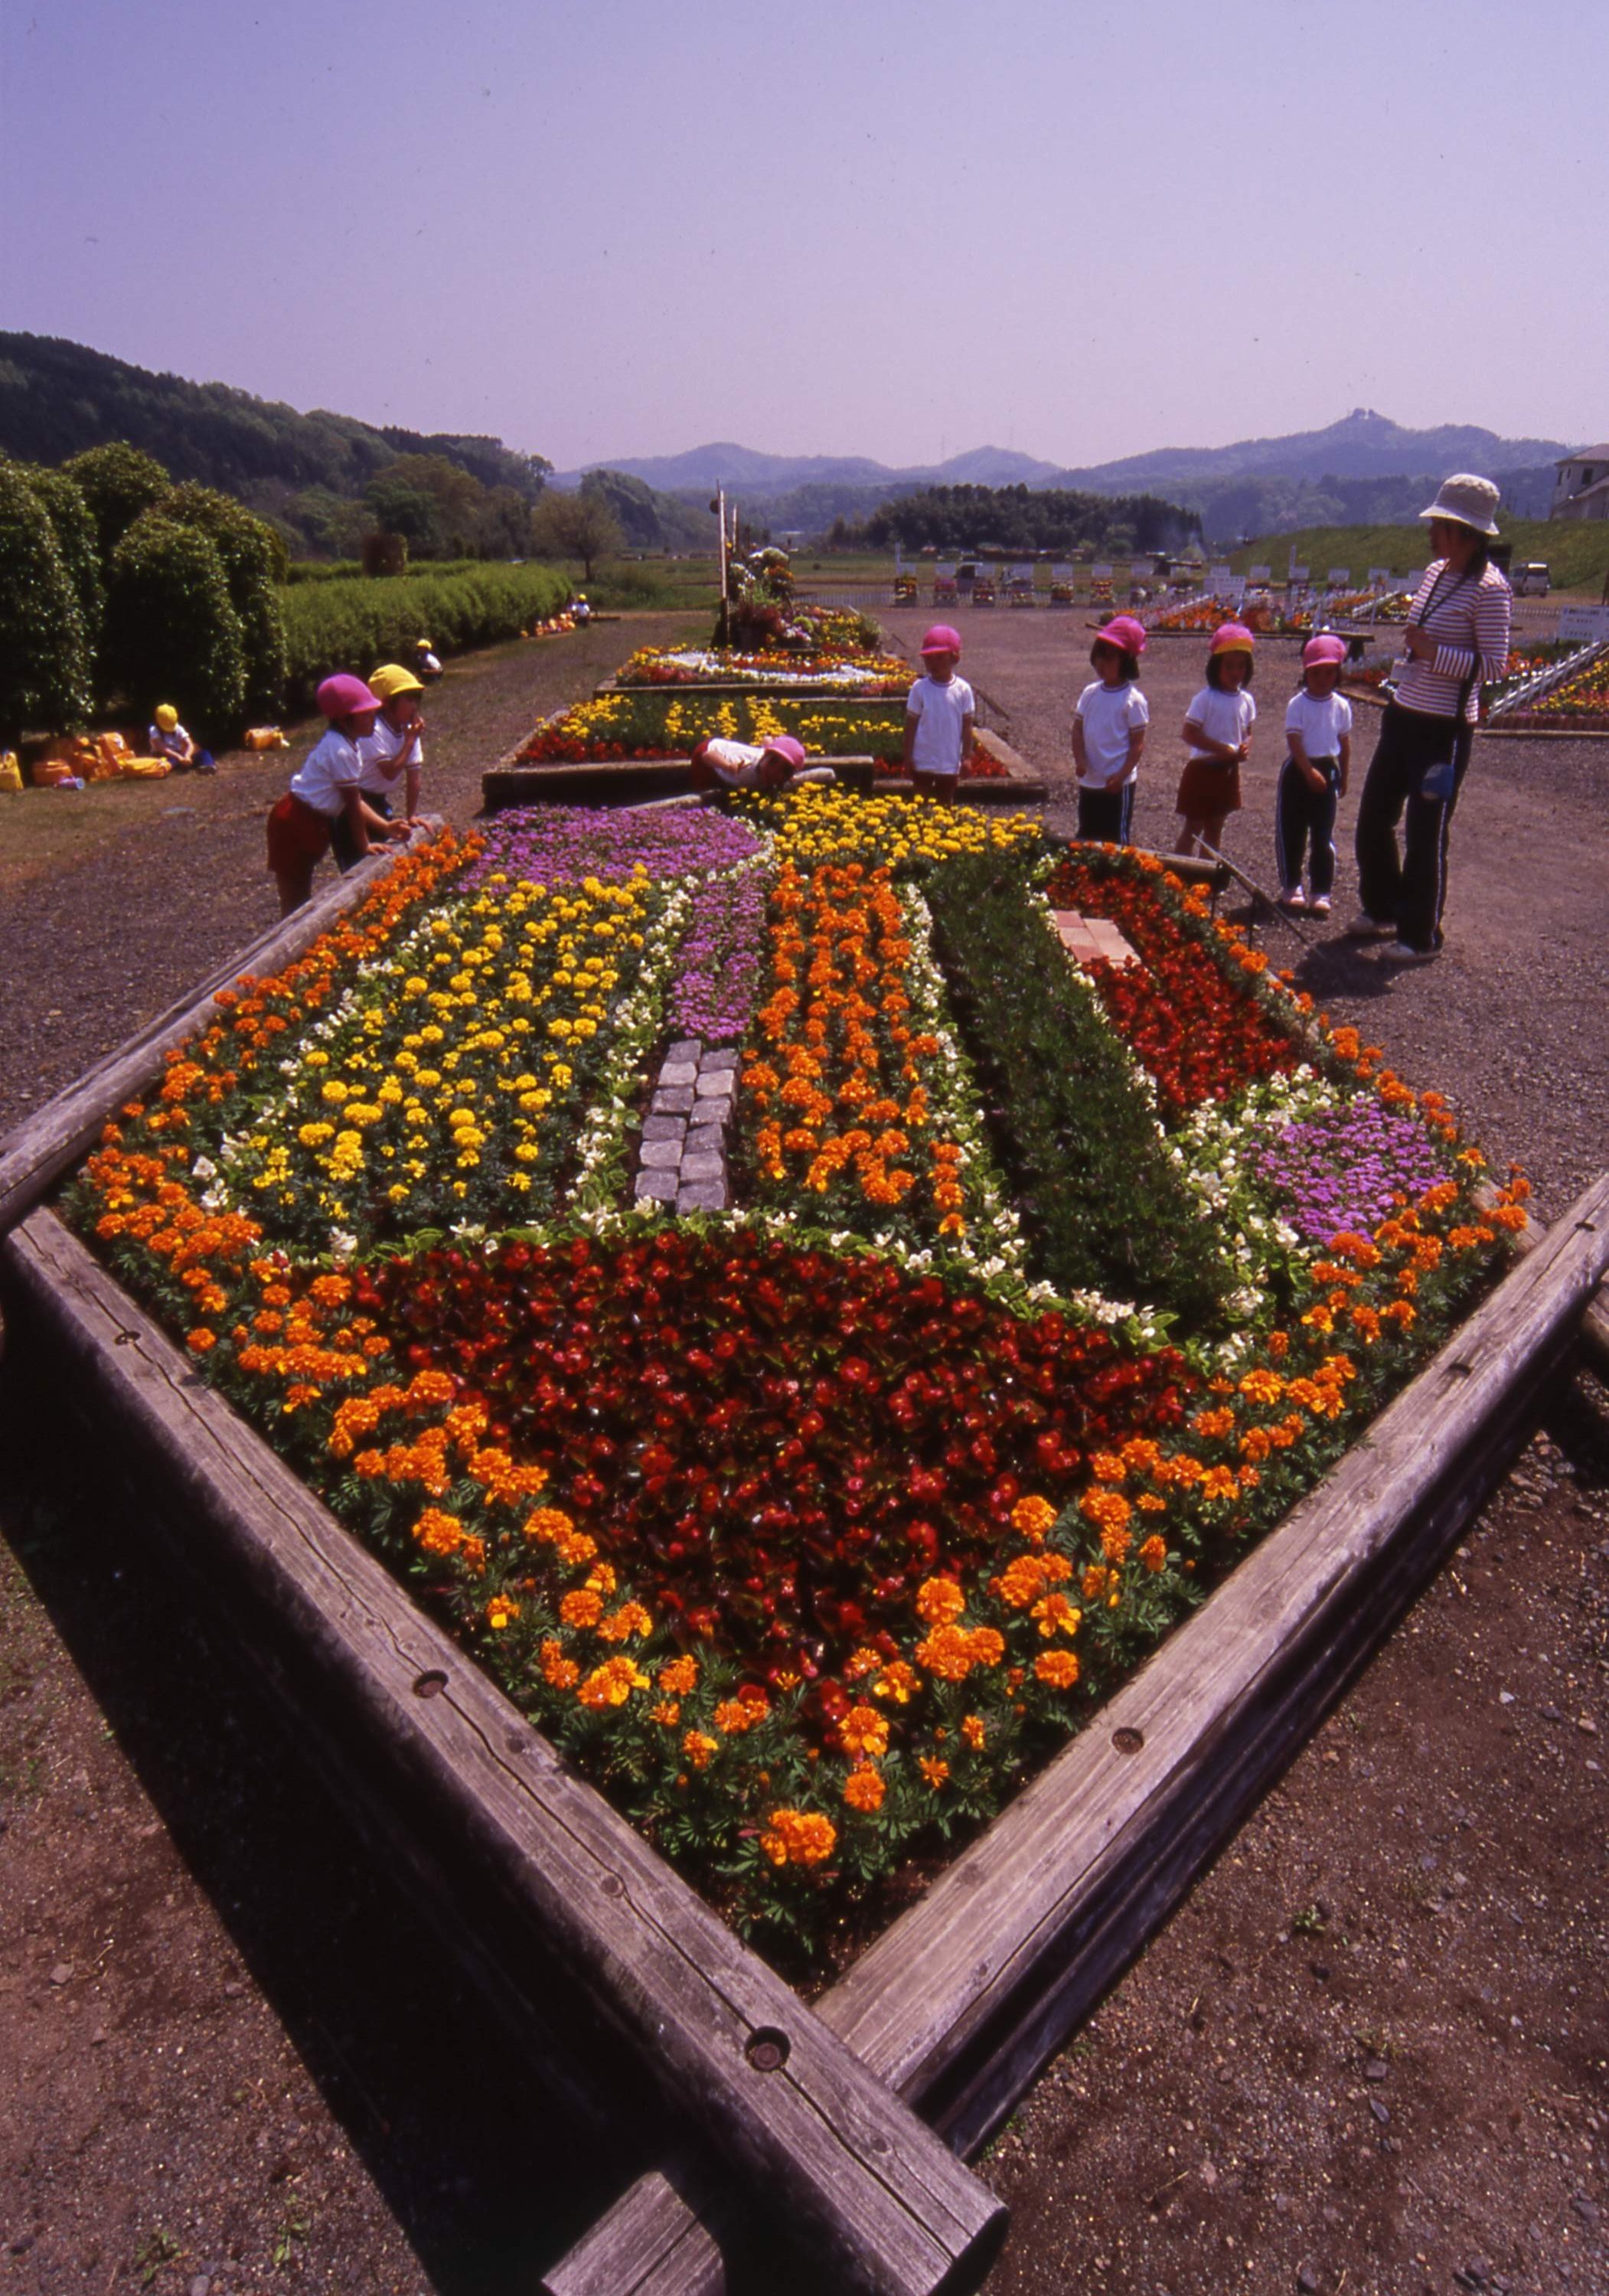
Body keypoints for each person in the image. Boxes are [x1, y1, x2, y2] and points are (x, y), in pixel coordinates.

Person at [1350, 475, 1512, 961]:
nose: (1432, 532)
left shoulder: (1492, 589)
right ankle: (1382, 908)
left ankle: (1420, 935)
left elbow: (1495, 666)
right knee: (1374, 817)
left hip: (1444, 729)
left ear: (1464, 531)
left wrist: (1434, 652)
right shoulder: (1435, 572)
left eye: (1439, 524)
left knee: (1426, 832)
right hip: (1404, 713)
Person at [265, 674, 407, 916]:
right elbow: (352, 803)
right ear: (344, 720)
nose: (373, 719)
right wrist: (364, 845)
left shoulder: (348, 745)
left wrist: (385, 827)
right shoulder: (340, 750)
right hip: (296, 821)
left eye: (374, 713)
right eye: (366, 715)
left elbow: (354, 799)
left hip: (310, 821)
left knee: (300, 895)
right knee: (295, 899)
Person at [1274, 635, 1353, 915]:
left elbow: (1344, 742)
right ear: (1306, 672)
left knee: (1323, 834)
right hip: (1299, 769)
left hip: (1328, 768)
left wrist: (1343, 775)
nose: (1323, 678)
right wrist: (1307, 771)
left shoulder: (1341, 705)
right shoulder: (1298, 704)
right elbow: (1294, 739)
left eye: (1330, 672)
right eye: (1316, 672)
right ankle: (1291, 884)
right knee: (1292, 830)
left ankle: (1321, 889)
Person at [1177, 623, 1256, 857]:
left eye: (1241, 667)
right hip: (1203, 769)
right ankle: (1179, 875)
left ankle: (1207, 878)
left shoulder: (1246, 700)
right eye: (1229, 666)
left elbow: (1248, 731)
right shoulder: (1205, 698)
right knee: (1193, 827)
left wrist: (1244, 747)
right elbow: (1189, 733)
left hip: (1228, 771)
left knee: (1216, 827)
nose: (1235, 672)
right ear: (1216, 666)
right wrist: (1221, 749)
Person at [338, 662, 426, 869]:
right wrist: (410, 741)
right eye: (408, 700)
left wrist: (411, 814)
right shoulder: (373, 730)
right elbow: (389, 772)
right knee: (358, 863)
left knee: (388, 856)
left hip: (378, 801)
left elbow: (414, 775)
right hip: (355, 801)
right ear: (386, 703)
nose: (414, 707)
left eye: (417, 700)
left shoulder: (408, 730)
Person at [1072, 614, 1148, 843]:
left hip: (1117, 782)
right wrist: (1080, 760)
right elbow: (1077, 729)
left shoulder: (1133, 700)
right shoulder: (1090, 693)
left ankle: (1115, 878)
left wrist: (1122, 774)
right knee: (1087, 833)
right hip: (1090, 780)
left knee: (1115, 839)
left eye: (1110, 658)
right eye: (1098, 657)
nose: (1101, 664)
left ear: (1126, 661)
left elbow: (1137, 744)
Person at [903, 624, 975, 803]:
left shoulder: (963, 690)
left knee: (945, 803)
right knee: (920, 804)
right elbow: (911, 725)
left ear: (955, 658)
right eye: (929, 658)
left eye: (939, 657)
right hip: (923, 761)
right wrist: (907, 757)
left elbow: (967, 726)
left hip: (948, 762)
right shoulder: (919, 688)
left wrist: (967, 757)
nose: (933, 663)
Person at [688, 733, 834, 792]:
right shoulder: (745, 764)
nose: (776, 773)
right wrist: (728, 766)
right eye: (773, 763)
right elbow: (707, 756)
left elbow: (766, 744)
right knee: (706, 790)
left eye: (786, 771)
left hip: (737, 769)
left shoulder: (766, 764)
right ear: (766, 757)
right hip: (708, 758)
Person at [148, 703, 215, 774]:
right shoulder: (154, 730)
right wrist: (178, 757)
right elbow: (162, 749)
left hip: (180, 754)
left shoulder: (178, 728)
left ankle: (207, 766)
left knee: (204, 753)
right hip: (165, 755)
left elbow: (190, 744)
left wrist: (187, 756)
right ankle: (165, 768)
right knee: (168, 760)